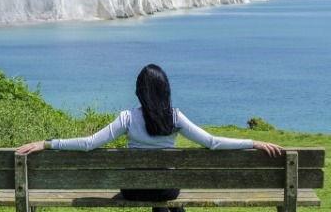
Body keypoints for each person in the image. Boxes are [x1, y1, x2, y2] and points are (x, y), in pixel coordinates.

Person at [17, 64, 282, 212]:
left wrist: (47, 143)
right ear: (165, 90)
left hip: (132, 190)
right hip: (168, 189)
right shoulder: (175, 117)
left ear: (139, 91)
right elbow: (212, 142)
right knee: (167, 203)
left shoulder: (127, 118)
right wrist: (254, 142)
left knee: (157, 203)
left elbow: (89, 144)